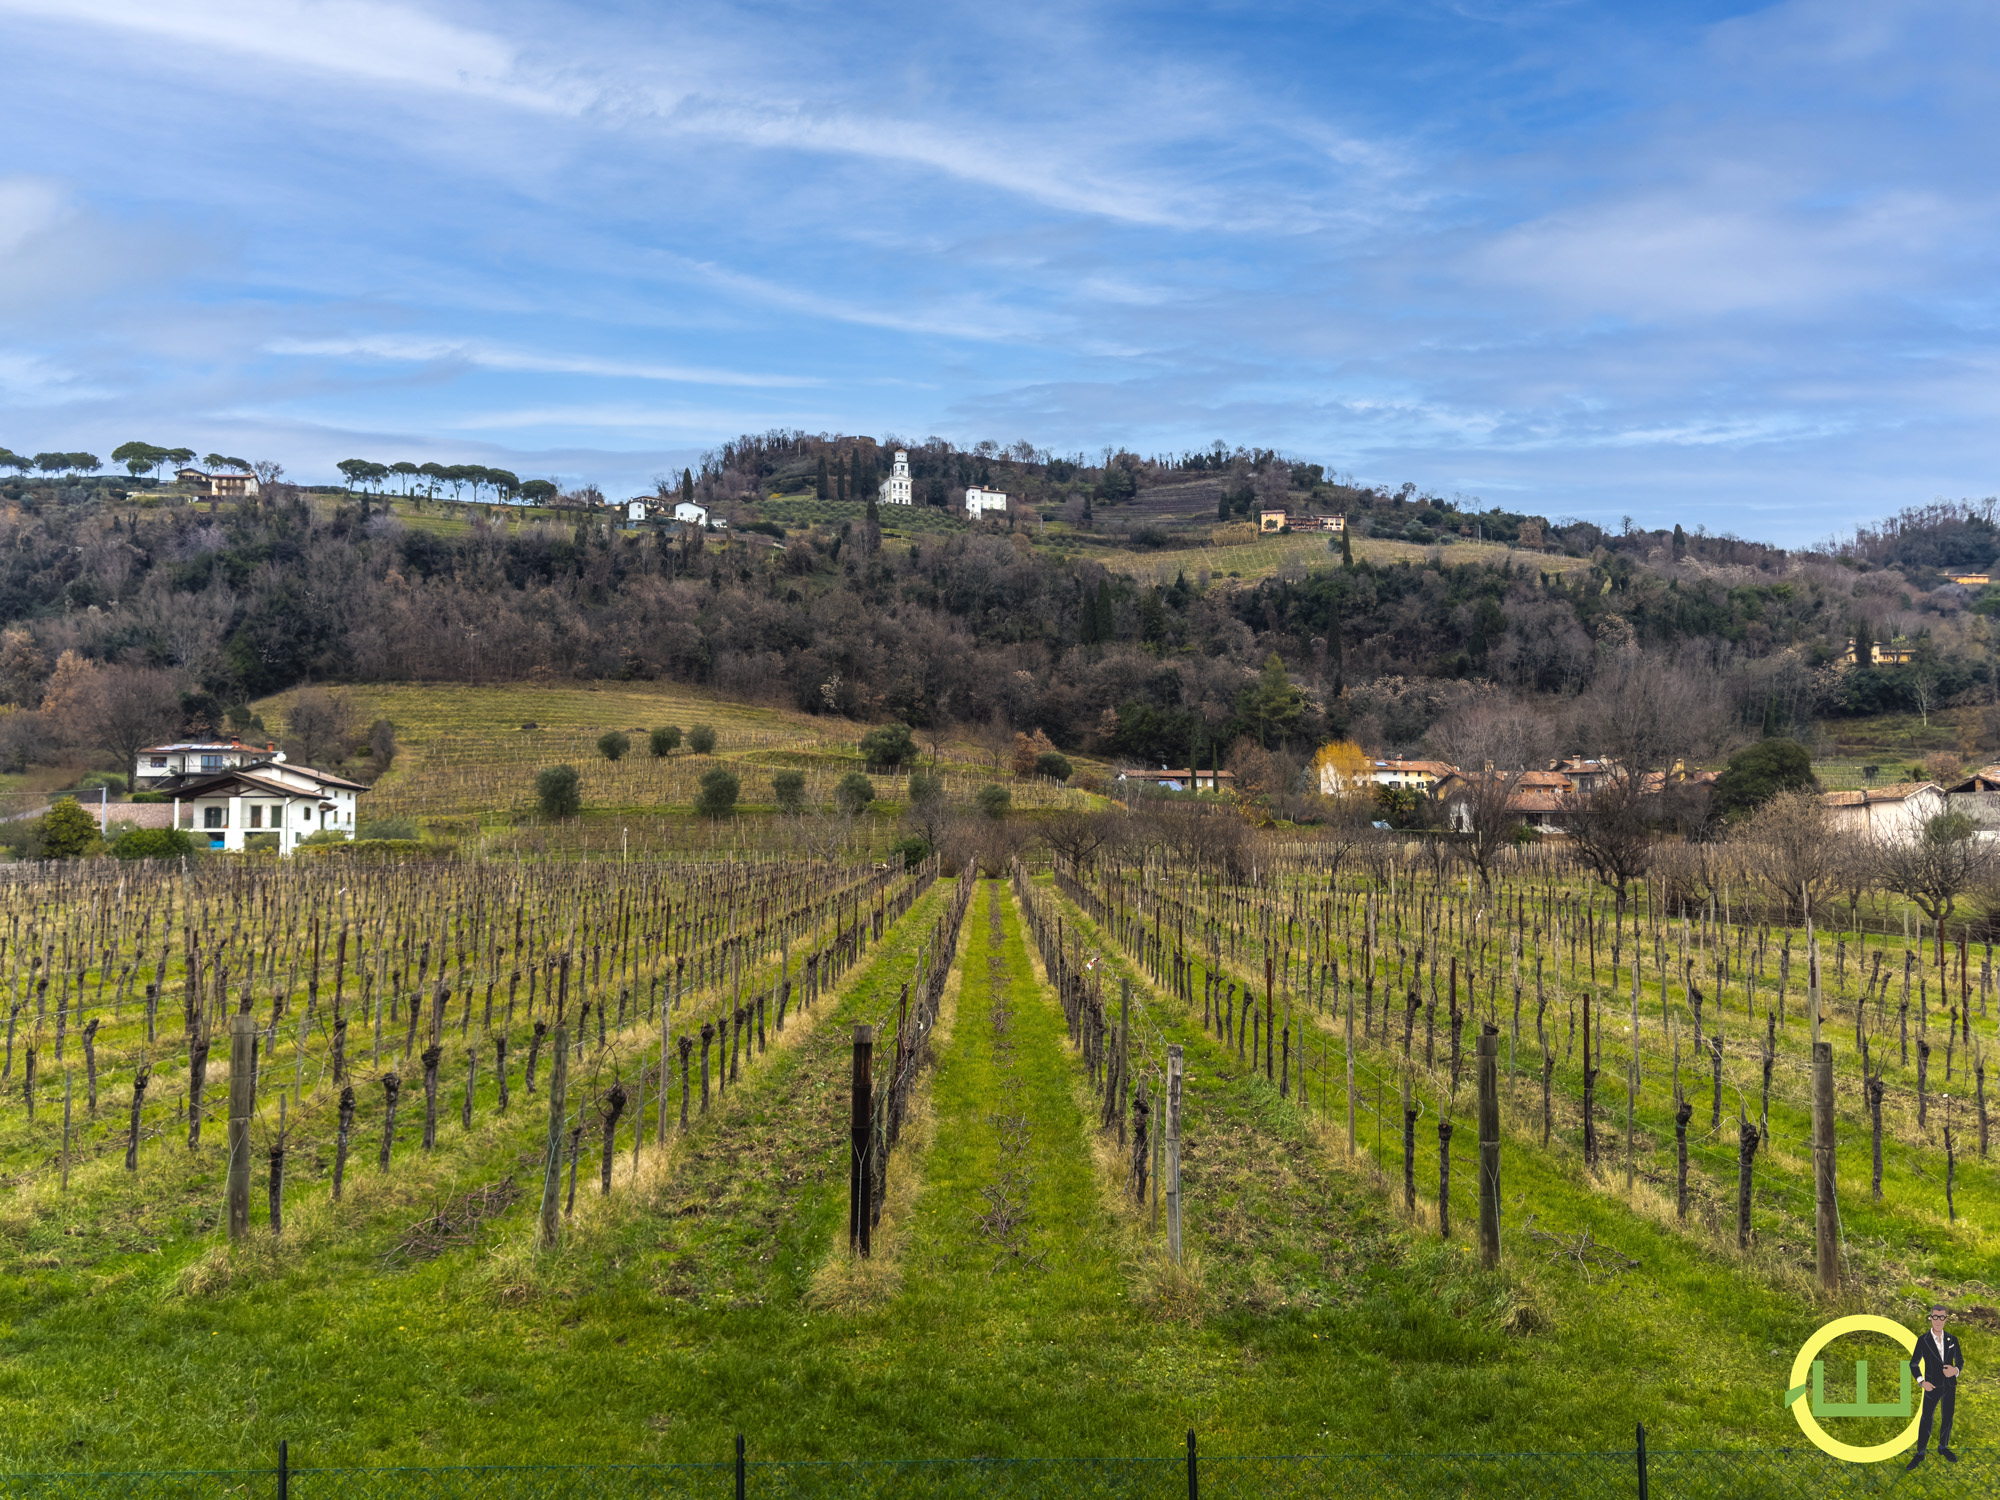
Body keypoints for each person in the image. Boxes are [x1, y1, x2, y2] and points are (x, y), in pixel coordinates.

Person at [1906, 1302, 1963, 1468]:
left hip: (1949, 1385)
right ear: (1931, 1318)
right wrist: (1922, 1382)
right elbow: (1914, 1364)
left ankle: (1943, 1447)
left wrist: (1955, 1370)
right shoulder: (1923, 1340)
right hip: (1932, 1386)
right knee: (1926, 1418)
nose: (1939, 1321)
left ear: (1946, 1319)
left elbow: (1959, 1360)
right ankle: (1920, 1452)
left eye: (1942, 1318)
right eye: (1936, 1317)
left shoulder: (1952, 1339)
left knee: (1948, 1416)